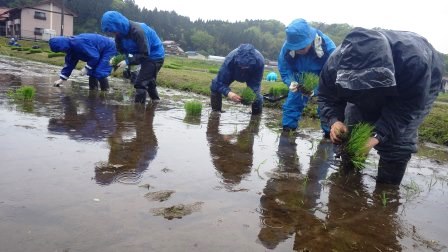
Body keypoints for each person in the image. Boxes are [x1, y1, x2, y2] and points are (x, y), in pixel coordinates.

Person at [317, 27, 444, 185]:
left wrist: (376, 137)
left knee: (398, 143)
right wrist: (334, 120)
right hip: (361, 90)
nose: (368, 90)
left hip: (414, 87)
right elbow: (326, 96)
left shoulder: (414, 63)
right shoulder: (333, 65)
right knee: (352, 132)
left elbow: (407, 109)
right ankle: (348, 179)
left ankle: (387, 189)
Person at [278, 19, 336, 136]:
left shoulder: (327, 46)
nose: (300, 50)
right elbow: (284, 68)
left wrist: (318, 90)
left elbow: (334, 71)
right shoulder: (287, 48)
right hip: (299, 78)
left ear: (310, 38)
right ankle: (287, 131)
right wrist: (291, 82)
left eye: (303, 47)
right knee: (292, 103)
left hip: (322, 78)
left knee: (326, 107)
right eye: (297, 48)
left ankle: (329, 134)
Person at [101, 10, 165, 104]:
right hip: (142, 55)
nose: (113, 33)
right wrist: (115, 60)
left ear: (119, 25)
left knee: (140, 83)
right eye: (111, 32)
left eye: (114, 30)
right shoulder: (119, 35)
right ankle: (155, 103)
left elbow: (144, 54)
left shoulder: (138, 31)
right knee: (148, 81)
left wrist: (127, 61)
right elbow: (121, 52)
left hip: (154, 56)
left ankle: (138, 112)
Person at [210, 43, 265, 115]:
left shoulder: (259, 61)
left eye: (246, 67)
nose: (243, 68)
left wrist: (249, 97)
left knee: (256, 96)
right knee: (214, 86)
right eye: (241, 66)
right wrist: (229, 93)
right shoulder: (230, 59)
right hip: (233, 73)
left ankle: (256, 117)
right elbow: (219, 82)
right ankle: (216, 113)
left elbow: (255, 84)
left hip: (251, 76)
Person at [49, 33, 116, 91]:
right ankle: (93, 91)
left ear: (63, 45)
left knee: (100, 71)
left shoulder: (79, 43)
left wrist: (86, 68)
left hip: (109, 48)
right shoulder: (70, 49)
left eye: (61, 49)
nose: (62, 51)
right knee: (92, 73)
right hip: (98, 51)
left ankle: (105, 93)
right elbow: (69, 64)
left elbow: (94, 57)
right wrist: (62, 79)